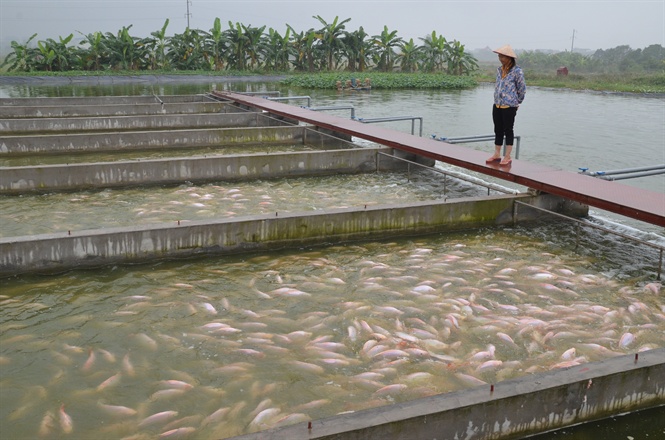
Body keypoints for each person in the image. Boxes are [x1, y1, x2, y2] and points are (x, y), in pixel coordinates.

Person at [486, 44, 526, 166]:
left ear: (509, 58)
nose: (500, 59)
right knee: (497, 129)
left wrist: (517, 102)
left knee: (508, 130)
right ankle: (497, 154)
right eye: (499, 56)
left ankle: (507, 156)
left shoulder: (517, 71)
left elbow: (522, 89)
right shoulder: (499, 70)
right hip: (497, 104)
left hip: (509, 106)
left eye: (502, 57)